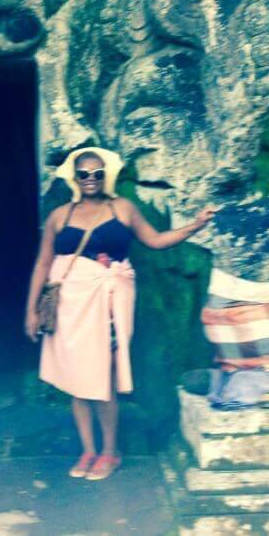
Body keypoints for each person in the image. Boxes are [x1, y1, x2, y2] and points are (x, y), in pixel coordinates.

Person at [24, 147, 214, 480]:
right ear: (75, 177)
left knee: (103, 375)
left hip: (109, 302)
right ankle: (88, 450)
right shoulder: (59, 216)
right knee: (75, 380)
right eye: (84, 174)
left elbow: (155, 240)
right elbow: (43, 262)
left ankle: (110, 450)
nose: (91, 179)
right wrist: (31, 310)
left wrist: (194, 226)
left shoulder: (123, 208)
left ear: (105, 176)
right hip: (70, 303)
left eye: (97, 173)